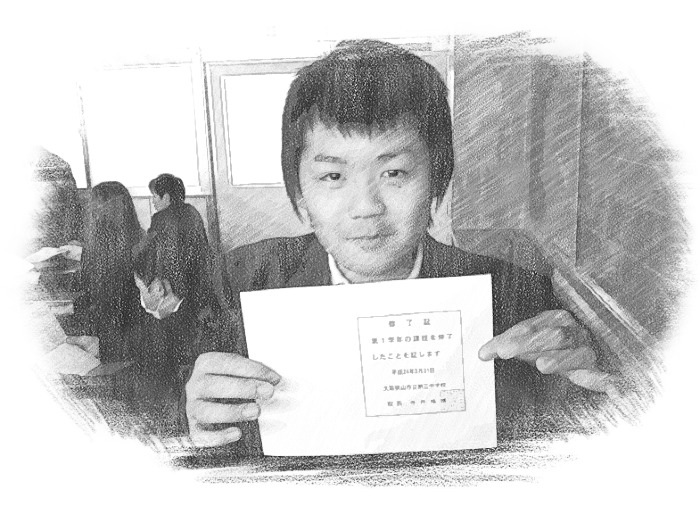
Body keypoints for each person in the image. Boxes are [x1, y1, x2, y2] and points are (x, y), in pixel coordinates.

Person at [184, 40, 617, 449]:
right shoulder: (240, 284)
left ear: (436, 181)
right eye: (333, 176)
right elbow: (181, 417)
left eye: (394, 173)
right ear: (300, 195)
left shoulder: (515, 297)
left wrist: (588, 392)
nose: (366, 207)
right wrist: (191, 420)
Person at [133, 177, 233, 397]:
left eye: (155, 196)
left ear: (166, 197)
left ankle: (170, 387)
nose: (153, 201)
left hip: (176, 292)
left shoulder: (161, 219)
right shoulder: (192, 213)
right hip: (199, 288)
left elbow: (155, 255)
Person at [78, 181, 144, 362]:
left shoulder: (97, 246)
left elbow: (92, 292)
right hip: (134, 336)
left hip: (115, 338)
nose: (90, 210)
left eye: (94, 205)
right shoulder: (140, 237)